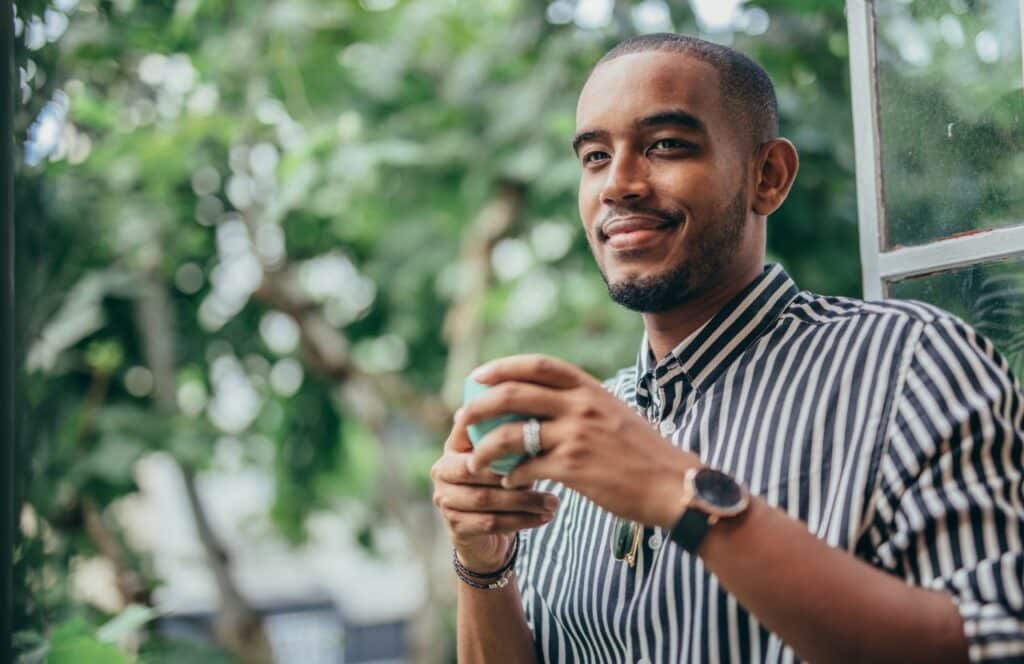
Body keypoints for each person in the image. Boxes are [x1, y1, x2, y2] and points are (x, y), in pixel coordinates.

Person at [430, 33, 1024, 664]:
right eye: (596, 156)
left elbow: (998, 643)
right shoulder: (579, 432)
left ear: (768, 177)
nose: (618, 184)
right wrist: (484, 564)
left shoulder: (912, 364)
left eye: (665, 146)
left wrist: (680, 492)